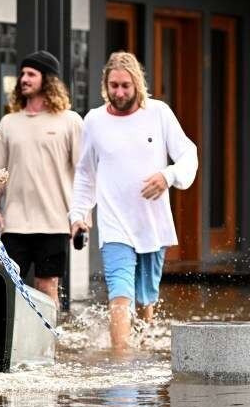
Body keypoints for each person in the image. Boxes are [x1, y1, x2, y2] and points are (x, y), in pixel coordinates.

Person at [69, 51, 198, 350]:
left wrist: (168, 176)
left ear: (137, 84)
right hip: (114, 224)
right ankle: (121, 364)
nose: (119, 92)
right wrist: (78, 214)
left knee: (145, 298)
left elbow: (188, 154)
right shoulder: (95, 120)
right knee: (120, 293)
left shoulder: (159, 113)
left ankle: (141, 348)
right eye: (114, 85)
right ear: (105, 85)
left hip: (152, 223)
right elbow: (85, 173)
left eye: (125, 85)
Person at [0, 50, 83, 309]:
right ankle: (12, 346)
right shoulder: (7, 123)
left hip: (54, 223)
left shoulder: (70, 121)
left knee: (46, 287)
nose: (23, 79)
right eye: (22, 74)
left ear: (47, 79)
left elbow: (85, 174)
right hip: (14, 224)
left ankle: (48, 347)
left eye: (31, 74)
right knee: (6, 286)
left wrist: (81, 218)